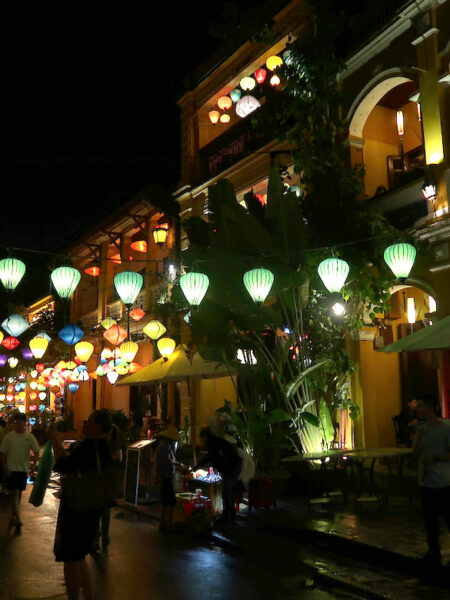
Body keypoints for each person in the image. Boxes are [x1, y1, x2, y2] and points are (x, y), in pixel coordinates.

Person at [48, 409, 113, 600]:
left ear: (98, 427)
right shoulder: (103, 447)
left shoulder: (89, 447)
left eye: (88, 421)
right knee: (79, 554)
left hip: (77, 507)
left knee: (70, 557)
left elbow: (63, 465)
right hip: (92, 507)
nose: (84, 424)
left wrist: (53, 439)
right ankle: (89, 596)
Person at [413, 396, 450, 566]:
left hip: (442, 481)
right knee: (430, 520)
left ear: (429, 408)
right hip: (426, 480)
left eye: (421, 406)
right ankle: (433, 550)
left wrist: (435, 457)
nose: (418, 409)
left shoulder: (444, 429)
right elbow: (415, 453)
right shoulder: (421, 429)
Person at [0, 412, 40, 530]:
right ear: (15, 423)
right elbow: (2, 453)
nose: (19, 425)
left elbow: (36, 451)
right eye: (17, 422)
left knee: (18, 495)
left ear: (24, 423)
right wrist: (5, 467)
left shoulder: (29, 437)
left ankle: (14, 517)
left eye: (21, 422)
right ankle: (19, 519)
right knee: (14, 494)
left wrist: (33, 465)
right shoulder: (9, 437)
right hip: (11, 469)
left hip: (23, 469)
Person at [193, 427, 242, 524]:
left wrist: (197, 467)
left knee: (227, 491)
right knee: (226, 491)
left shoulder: (214, 443)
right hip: (230, 467)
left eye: (202, 438)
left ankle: (228, 516)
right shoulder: (215, 441)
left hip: (232, 467)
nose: (201, 441)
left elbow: (210, 456)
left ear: (206, 436)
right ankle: (228, 515)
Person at [90, 424, 122, 550]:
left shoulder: (103, 446)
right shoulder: (110, 446)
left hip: (103, 480)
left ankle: (99, 536)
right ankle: (102, 535)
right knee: (103, 509)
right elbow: (118, 459)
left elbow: (116, 459)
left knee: (100, 509)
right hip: (106, 480)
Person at [154, 427, 182, 532]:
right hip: (166, 476)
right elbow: (168, 461)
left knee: (165, 501)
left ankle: (162, 524)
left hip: (163, 476)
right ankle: (168, 525)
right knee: (170, 501)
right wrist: (177, 465)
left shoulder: (162, 445)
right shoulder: (165, 446)